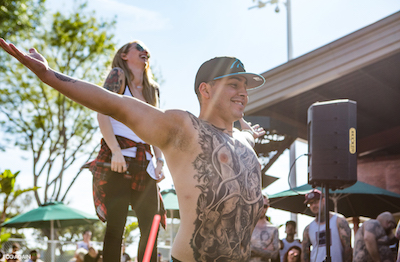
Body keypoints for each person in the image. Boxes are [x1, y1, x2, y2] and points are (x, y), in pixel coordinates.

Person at [0, 39, 267, 261]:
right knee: (124, 226)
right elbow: (114, 105)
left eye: (245, 86)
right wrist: (49, 76)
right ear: (205, 90)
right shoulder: (184, 129)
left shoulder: (246, 142)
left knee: (146, 223)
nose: (243, 92)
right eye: (234, 84)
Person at [86, 40, 165, 262]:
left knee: (151, 229)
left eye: (146, 49)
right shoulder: (117, 76)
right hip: (119, 161)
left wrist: (160, 161)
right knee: (115, 228)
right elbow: (102, 113)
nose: (145, 51)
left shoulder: (153, 89)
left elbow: (156, 128)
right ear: (124, 55)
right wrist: (116, 151)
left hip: (146, 164)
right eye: (139, 48)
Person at [301, 189, 352, 262]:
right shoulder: (308, 228)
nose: (314, 205)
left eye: (316, 202)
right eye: (310, 203)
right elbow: (304, 253)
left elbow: (347, 248)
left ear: (324, 200)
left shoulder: (339, 221)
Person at [250, 195, 280, 262]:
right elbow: (238, 252)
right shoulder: (245, 228)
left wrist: (252, 249)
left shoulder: (273, 229)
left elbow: (274, 255)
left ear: (268, 207)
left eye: (264, 206)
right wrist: (265, 250)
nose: (261, 209)